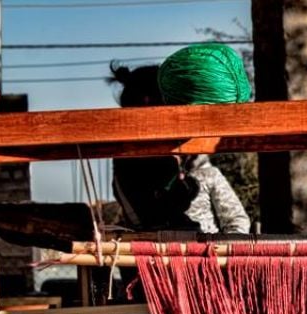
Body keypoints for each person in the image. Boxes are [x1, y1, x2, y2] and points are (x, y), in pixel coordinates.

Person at [108, 62, 251, 234]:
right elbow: (139, 219)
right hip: (154, 248)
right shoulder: (128, 169)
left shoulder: (205, 172)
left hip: (206, 248)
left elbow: (237, 220)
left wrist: (220, 249)